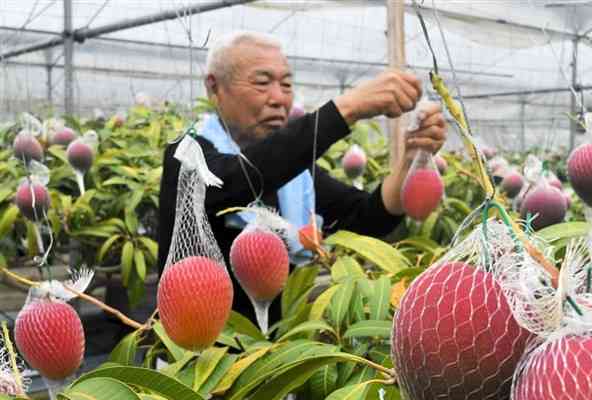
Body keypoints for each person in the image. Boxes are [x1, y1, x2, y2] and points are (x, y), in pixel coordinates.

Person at [157, 31, 447, 327]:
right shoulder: (187, 155)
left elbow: (365, 216)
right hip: (197, 359)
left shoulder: (297, 177)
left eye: (286, 84)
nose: (278, 98)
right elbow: (239, 178)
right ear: (214, 87)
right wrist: (346, 110)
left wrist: (409, 163)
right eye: (262, 82)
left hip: (281, 356)